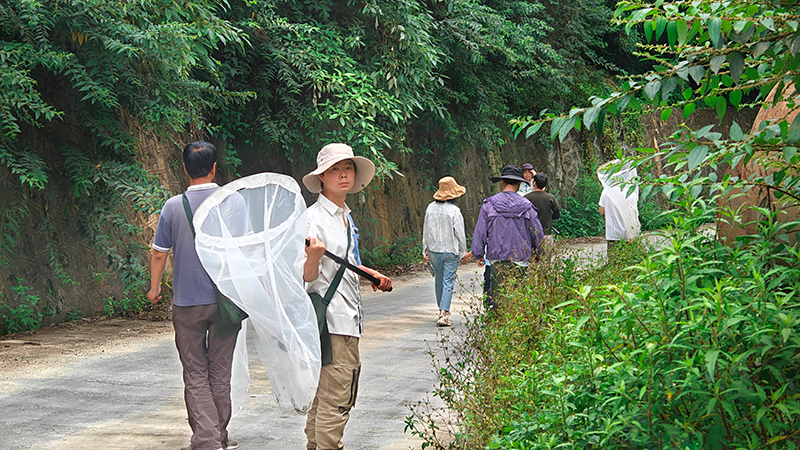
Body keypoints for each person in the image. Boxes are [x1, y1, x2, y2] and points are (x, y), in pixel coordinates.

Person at [148, 141, 239, 450]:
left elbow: (160, 254)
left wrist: (155, 288)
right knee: (220, 370)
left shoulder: (173, 207)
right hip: (227, 300)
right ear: (215, 168)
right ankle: (218, 437)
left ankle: (208, 440)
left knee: (196, 371)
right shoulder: (233, 203)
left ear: (184, 168)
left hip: (188, 302)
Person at [302, 143, 392, 450]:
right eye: (334, 170)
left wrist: (370, 273)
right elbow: (304, 277)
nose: (343, 175)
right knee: (337, 400)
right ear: (322, 177)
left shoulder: (343, 215)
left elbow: (344, 262)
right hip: (334, 321)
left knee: (327, 396)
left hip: (346, 317)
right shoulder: (314, 219)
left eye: (348, 168)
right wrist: (312, 258)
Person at [472, 165, 544, 310]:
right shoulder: (527, 206)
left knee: (498, 301)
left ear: (502, 182)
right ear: (519, 184)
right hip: (521, 260)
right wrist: (539, 252)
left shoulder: (489, 205)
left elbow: (480, 231)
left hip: (497, 259)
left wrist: (478, 254)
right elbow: (537, 232)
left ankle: (497, 329)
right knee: (519, 302)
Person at [422, 176, 472, 327]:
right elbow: (460, 235)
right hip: (450, 251)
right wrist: (463, 253)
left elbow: (425, 229)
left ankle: (441, 310)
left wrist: (425, 249)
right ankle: (444, 314)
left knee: (439, 279)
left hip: (434, 250)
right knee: (448, 282)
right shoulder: (455, 211)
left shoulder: (430, 208)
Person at [597, 160, 641, 258]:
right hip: (627, 233)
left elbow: (601, 211)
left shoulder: (606, 192)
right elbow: (633, 213)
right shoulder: (629, 193)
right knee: (628, 259)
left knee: (613, 260)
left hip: (612, 233)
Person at [524, 173, 561, 260]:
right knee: (545, 263)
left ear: (534, 183)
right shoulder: (550, 198)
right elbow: (557, 215)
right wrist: (548, 217)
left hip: (530, 235)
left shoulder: (526, 198)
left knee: (531, 263)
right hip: (546, 234)